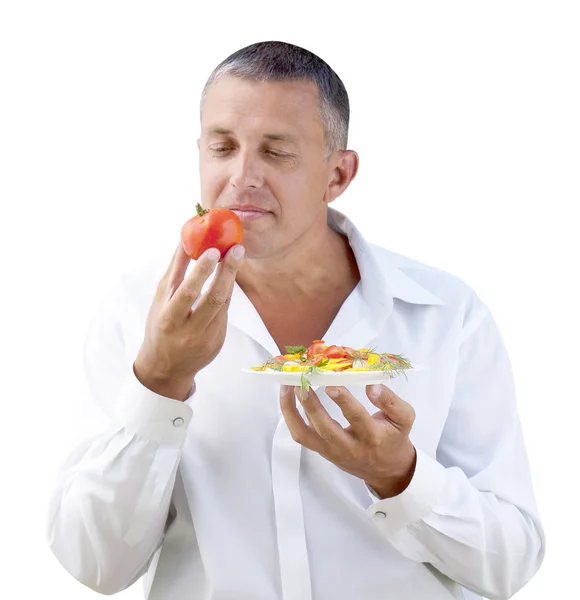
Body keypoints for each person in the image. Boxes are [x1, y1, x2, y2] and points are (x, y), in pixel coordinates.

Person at [46, 41, 545, 600]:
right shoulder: (134, 309)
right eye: (223, 147)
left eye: (276, 152)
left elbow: (510, 563)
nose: (241, 177)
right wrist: (159, 381)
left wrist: (399, 474)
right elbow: (94, 564)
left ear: (338, 174)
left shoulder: (447, 316)